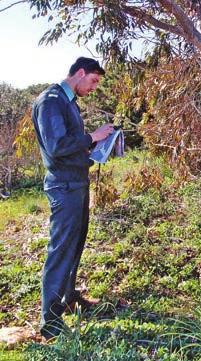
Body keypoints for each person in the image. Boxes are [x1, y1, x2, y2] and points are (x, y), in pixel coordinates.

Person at [32, 57, 114, 340]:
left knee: (75, 244)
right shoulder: (51, 101)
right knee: (61, 250)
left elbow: (70, 146)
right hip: (64, 187)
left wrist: (97, 146)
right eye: (92, 81)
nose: (93, 88)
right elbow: (56, 147)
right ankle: (50, 322)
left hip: (77, 182)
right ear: (80, 73)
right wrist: (93, 136)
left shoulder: (68, 103)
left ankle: (68, 298)